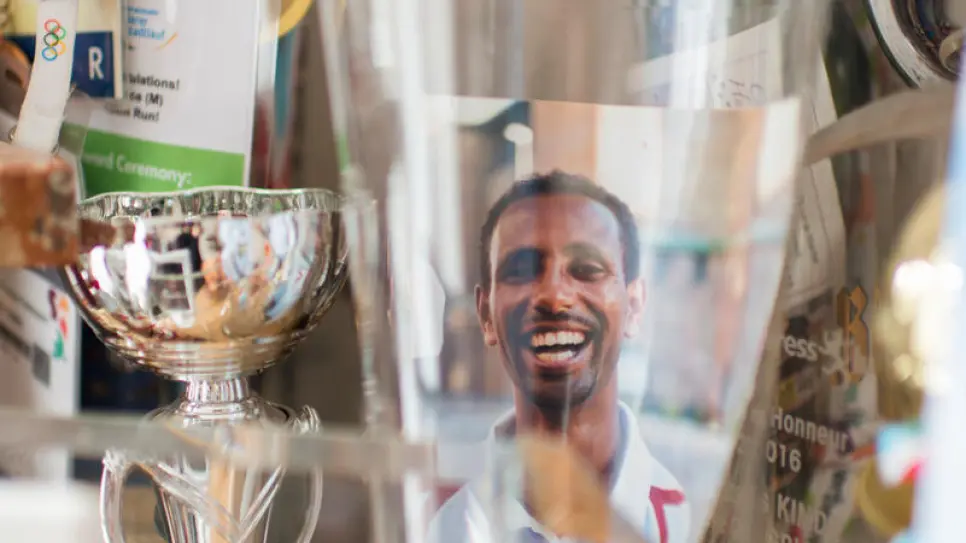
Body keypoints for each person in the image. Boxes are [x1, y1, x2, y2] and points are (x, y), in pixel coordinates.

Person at [428, 171, 691, 543]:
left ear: (633, 306)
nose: (554, 295)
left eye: (586, 270)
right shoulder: (427, 523)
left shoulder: (695, 521)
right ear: (485, 315)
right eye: (521, 271)